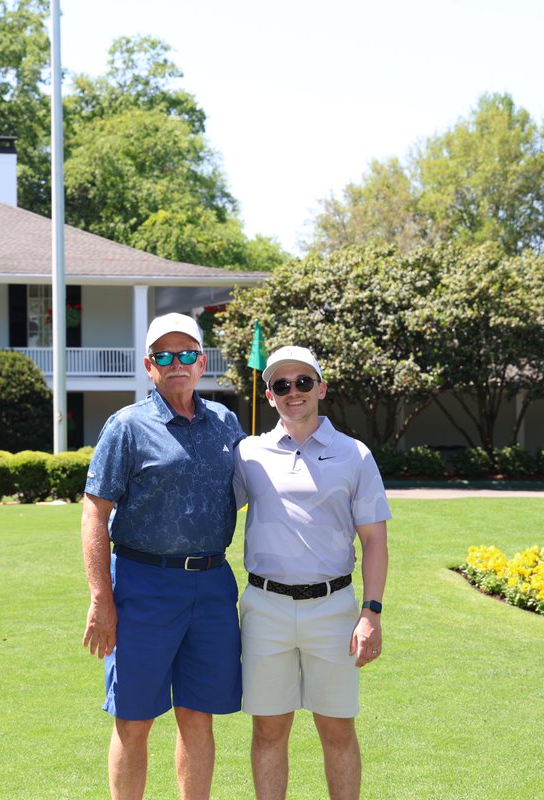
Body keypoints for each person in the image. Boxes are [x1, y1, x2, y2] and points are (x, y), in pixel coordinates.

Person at [82, 312, 246, 800]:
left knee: (198, 715)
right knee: (134, 719)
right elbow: (94, 513)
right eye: (165, 356)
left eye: (188, 354)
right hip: (142, 585)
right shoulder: (126, 427)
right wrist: (101, 598)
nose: (178, 364)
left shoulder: (226, 421)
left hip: (212, 587)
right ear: (149, 367)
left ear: (202, 363)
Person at [233, 346, 390, 800]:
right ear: (269, 395)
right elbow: (216, 510)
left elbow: (374, 540)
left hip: (334, 609)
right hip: (265, 608)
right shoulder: (249, 453)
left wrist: (371, 612)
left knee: (337, 729)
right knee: (268, 730)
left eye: (303, 382)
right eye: (282, 385)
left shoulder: (354, 454)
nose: (293, 392)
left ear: (322, 388)